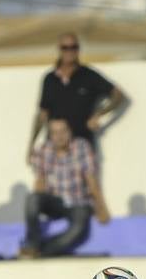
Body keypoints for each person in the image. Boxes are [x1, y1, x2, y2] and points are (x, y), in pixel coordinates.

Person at [27, 32, 125, 161]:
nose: (69, 51)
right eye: (65, 48)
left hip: (81, 145)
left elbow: (118, 95)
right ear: (59, 49)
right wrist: (31, 145)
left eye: (73, 47)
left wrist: (99, 114)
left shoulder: (89, 76)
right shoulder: (49, 79)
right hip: (55, 148)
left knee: (88, 181)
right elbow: (42, 113)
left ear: (78, 49)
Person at [20, 118, 110, 258]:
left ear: (70, 132)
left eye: (63, 131)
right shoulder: (44, 149)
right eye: (55, 133)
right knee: (32, 199)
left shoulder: (82, 147)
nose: (60, 136)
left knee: (77, 230)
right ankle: (32, 244)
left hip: (78, 202)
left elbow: (91, 180)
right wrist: (37, 206)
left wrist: (101, 208)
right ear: (50, 135)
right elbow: (40, 181)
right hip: (55, 202)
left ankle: (42, 252)